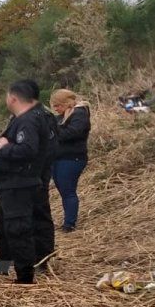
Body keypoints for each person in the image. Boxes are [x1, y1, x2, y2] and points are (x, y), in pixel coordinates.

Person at [0, 80, 54, 284]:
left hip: (18, 184)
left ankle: (25, 276)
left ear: (13, 98)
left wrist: (4, 148)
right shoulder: (32, 117)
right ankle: (2, 267)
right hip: (11, 184)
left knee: (18, 229)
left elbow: (28, 150)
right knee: (2, 227)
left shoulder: (29, 121)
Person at [49, 89, 91, 233]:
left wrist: (54, 131)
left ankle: (69, 224)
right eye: (54, 106)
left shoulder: (80, 114)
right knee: (63, 190)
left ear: (67, 103)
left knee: (68, 191)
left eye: (58, 105)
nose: (55, 109)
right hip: (59, 158)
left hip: (72, 158)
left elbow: (71, 133)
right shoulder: (61, 116)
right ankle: (68, 221)